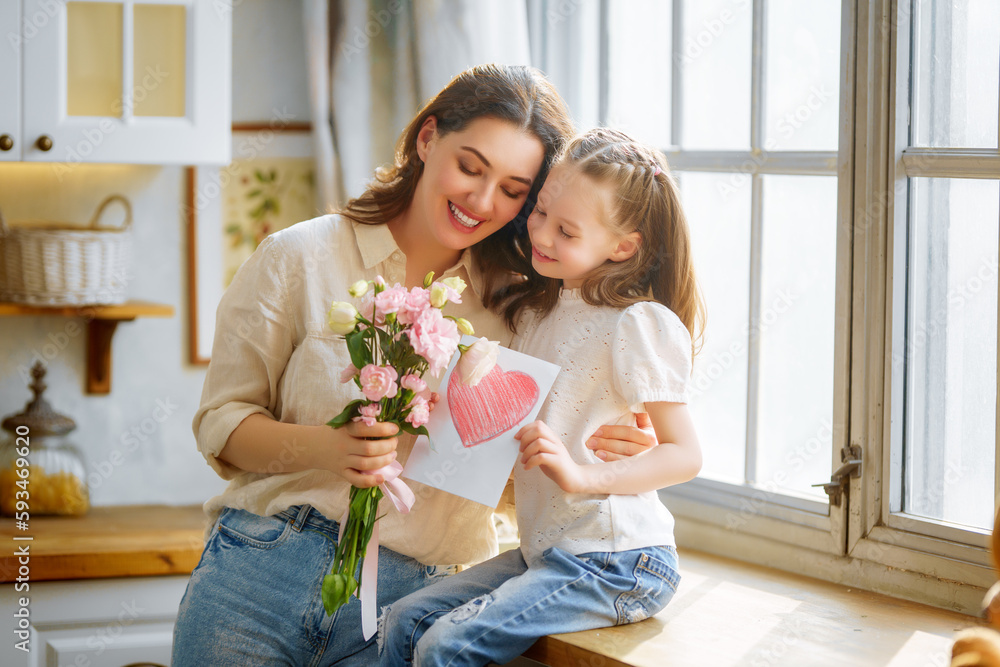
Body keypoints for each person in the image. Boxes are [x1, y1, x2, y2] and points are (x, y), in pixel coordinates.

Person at [172, 65, 658, 666]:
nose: (481, 200)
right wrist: (329, 447)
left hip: (417, 606)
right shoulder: (299, 257)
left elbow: (523, 473)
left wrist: (609, 438)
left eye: (512, 189)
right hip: (257, 581)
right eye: (470, 167)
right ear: (428, 139)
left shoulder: (527, 307)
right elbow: (222, 424)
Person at [379, 127, 707, 667]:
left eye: (567, 230)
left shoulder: (637, 323)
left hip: (618, 560)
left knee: (442, 646)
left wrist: (584, 477)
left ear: (623, 246)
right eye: (541, 213)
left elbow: (685, 454)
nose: (543, 235)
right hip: (550, 554)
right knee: (403, 622)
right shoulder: (536, 314)